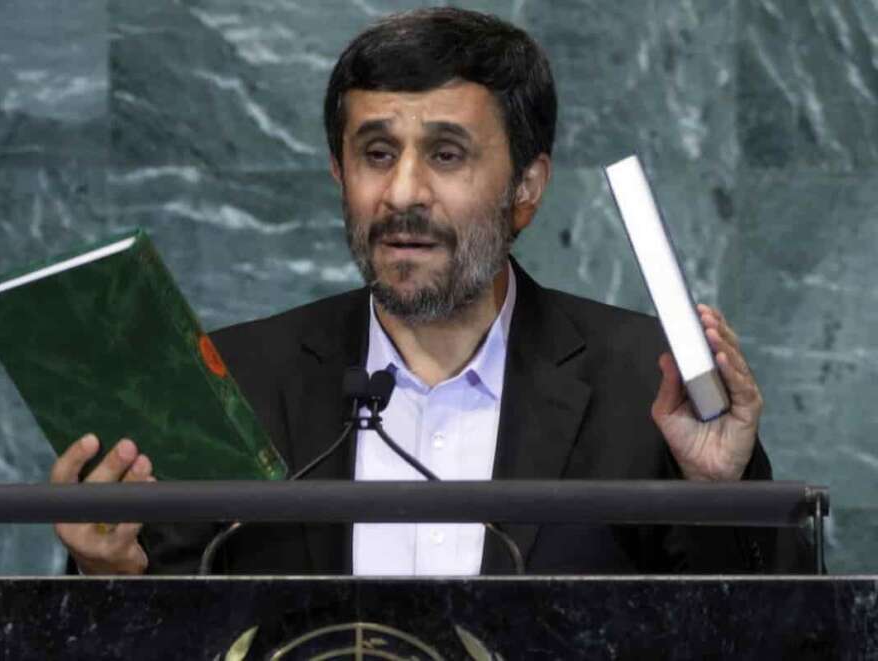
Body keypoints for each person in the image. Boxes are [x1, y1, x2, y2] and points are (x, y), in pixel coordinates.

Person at [51, 8, 810, 575]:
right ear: (338, 176)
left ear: (527, 188)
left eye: (446, 154)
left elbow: (792, 638)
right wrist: (104, 573)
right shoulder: (232, 380)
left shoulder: (647, 382)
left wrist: (719, 492)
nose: (402, 192)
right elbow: (161, 620)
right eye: (376, 153)